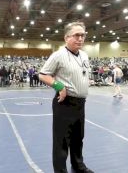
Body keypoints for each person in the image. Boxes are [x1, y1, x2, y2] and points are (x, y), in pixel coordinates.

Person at [39, 21, 93, 173]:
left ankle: (78, 166)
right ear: (66, 38)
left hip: (80, 103)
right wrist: (58, 86)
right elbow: (43, 75)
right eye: (77, 35)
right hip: (65, 104)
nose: (80, 39)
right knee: (61, 142)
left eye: (83, 35)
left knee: (78, 138)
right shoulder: (58, 55)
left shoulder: (84, 55)